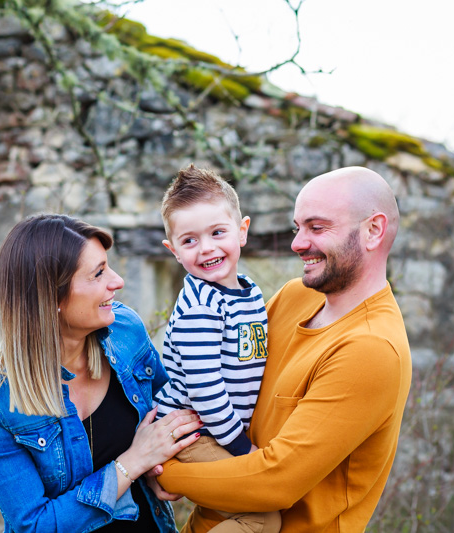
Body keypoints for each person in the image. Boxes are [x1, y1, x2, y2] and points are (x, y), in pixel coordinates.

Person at [151, 166, 413, 533]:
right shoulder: (295, 295)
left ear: (373, 230)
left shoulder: (371, 348)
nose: (297, 243)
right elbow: (211, 372)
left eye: (317, 227)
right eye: (297, 227)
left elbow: (275, 482)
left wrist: (159, 468)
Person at [0, 214, 203, 532]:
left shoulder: (124, 330)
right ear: (52, 297)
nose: (117, 282)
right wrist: (131, 464)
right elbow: (34, 526)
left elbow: (173, 419)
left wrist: (161, 471)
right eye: (98, 274)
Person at [153, 164, 281, 533]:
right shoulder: (200, 309)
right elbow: (206, 392)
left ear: (242, 232)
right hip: (194, 434)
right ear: (173, 250)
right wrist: (242, 450)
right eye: (190, 240)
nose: (206, 248)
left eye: (217, 232)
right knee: (261, 517)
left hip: (220, 431)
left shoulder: (249, 290)